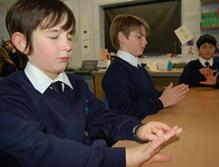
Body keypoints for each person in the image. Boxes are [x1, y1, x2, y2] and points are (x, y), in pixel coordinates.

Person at [0, 0, 183, 167]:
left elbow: (101, 118)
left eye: (69, 36)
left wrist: (137, 129)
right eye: (54, 36)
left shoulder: (76, 84)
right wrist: (123, 158)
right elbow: (40, 149)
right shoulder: (8, 93)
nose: (68, 45)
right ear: (22, 43)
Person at [102, 14, 189, 120]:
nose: (145, 42)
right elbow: (122, 112)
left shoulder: (138, 67)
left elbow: (146, 96)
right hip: (132, 130)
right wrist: (161, 102)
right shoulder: (116, 73)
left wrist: (164, 94)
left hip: (149, 121)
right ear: (122, 38)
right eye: (139, 37)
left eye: (145, 37)